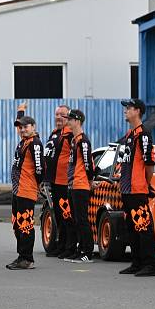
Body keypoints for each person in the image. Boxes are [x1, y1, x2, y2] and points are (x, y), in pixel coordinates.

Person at [117, 98, 155, 277]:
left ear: (138, 111)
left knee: (144, 226)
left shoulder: (144, 134)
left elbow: (149, 162)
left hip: (138, 188)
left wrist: (145, 183)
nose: (125, 110)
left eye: (129, 108)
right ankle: (136, 262)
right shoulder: (128, 135)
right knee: (131, 227)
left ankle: (150, 265)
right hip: (126, 188)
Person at [7, 112, 45, 270]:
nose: (22, 130)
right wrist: (20, 112)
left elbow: (40, 167)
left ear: (33, 127)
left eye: (25, 127)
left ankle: (27, 259)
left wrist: (37, 185)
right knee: (17, 224)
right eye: (20, 127)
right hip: (18, 190)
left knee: (25, 224)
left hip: (26, 190)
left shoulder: (34, 143)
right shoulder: (24, 141)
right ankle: (21, 255)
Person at [42, 105, 75, 259]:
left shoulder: (71, 135)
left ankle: (69, 247)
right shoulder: (55, 134)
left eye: (62, 115)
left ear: (68, 118)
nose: (58, 117)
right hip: (53, 181)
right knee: (58, 215)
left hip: (65, 182)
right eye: (56, 114)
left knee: (66, 215)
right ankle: (61, 245)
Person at [65, 109, 95, 263]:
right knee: (76, 219)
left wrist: (89, 181)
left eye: (69, 119)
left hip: (81, 185)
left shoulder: (83, 140)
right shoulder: (74, 140)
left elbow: (88, 163)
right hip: (73, 184)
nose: (67, 122)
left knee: (82, 219)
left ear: (77, 121)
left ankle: (87, 252)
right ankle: (80, 249)